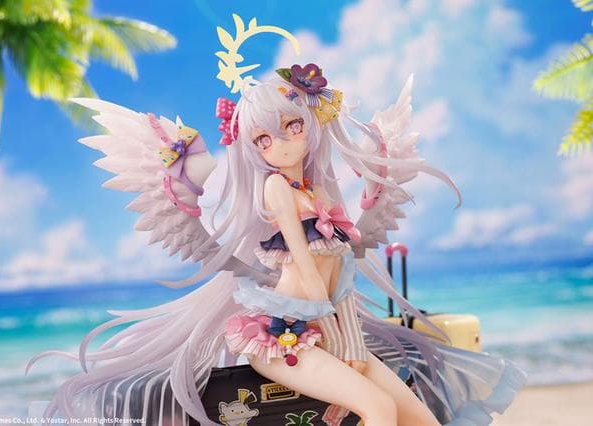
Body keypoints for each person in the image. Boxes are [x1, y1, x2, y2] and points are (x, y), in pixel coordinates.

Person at [27, 15, 525, 426]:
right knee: (378, 410)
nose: (278, 145)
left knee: (418, 417)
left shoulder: (318, 192)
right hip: (283, 335)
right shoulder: (275, 188)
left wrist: (351, 343)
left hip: (330, 329)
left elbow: (340, 278)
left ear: (309, 126)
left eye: (290, 128)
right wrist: (335, 333)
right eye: (262, 140)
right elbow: (305, 268)